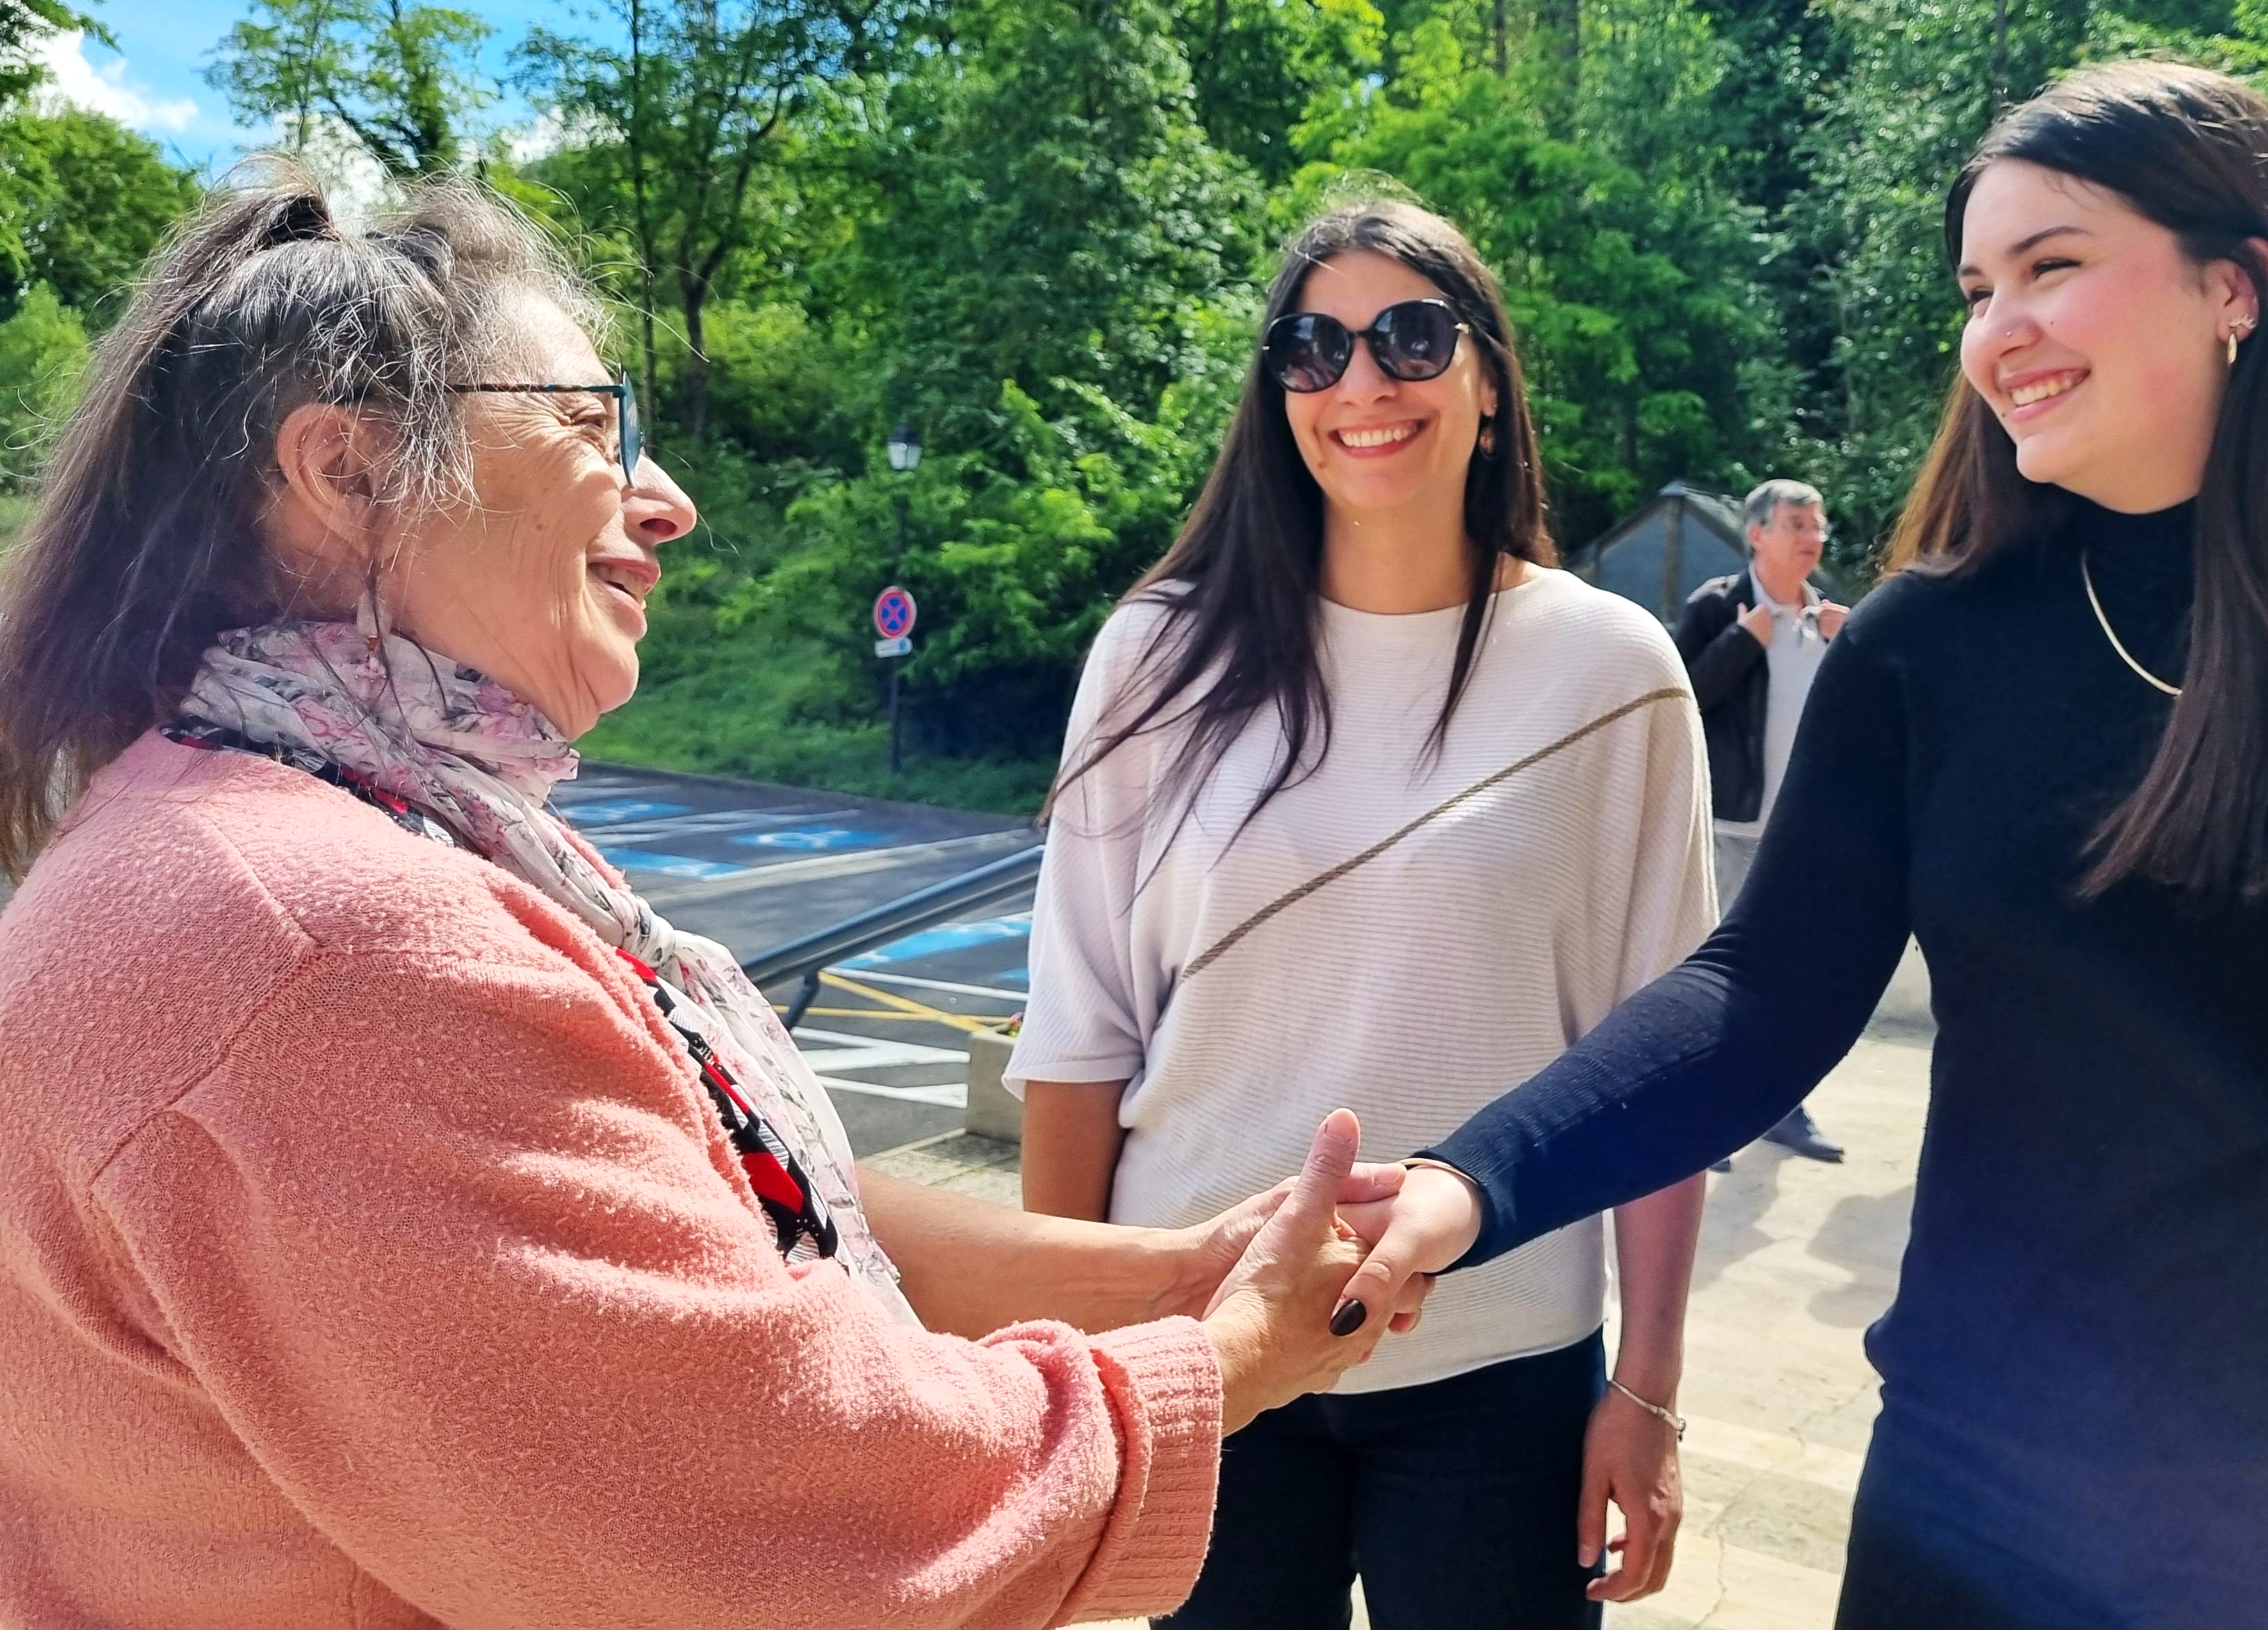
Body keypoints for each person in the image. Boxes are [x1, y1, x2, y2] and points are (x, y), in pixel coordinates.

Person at [0, 166, 1421, 1629]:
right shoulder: (335, 944)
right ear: (347, 468)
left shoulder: (260, 834)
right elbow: (783, 1522)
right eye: (591, 428)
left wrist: (1174, 1271)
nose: (669, 505)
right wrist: (1236, 1354)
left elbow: (703, 1218)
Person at [1335, 60, 2268, 1627]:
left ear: (2236, 285)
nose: (1995, 331)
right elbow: (1761, 995)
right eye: (1976, 286)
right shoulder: (1926, 650)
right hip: (1981, 1519)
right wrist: (1471, 1179)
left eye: (2052, 267)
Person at [1009, 197, 1717, 1629]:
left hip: (1502, 1358)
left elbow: (1665, 1071)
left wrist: (1646, 1389)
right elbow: (1078, 1032)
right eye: (1310, 347)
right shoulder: (1159, 653)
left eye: (1409, 335)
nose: (1360, 384)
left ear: (1489, 378)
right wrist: (1073, 1365)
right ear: (1275, 394)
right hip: (1202, 1340)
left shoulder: (1610, 672)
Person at [1677, 476, 1848, 1166]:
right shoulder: (1717, 606)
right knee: (1710, 977)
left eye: (1818, 525)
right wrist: (1741, 642)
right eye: (1797, 524)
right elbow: (1680, 696)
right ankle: (1700, 1115)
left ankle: (1781, 1107)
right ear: (1756, 533)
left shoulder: (1832, 620)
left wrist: (1852, 646)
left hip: (1805, 831)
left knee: (1794, 976)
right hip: (1728, 826)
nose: (1813, 538)